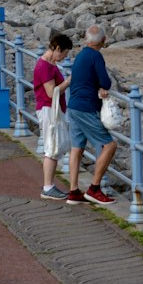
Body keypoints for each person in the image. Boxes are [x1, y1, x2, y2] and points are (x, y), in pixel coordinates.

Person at [66, 25, 117, 206]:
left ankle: (73, 191)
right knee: (109, 145)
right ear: (103, 41)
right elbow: (105, 81)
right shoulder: (96, 56)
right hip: (86, 107)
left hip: (73, 105)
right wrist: (100, 87)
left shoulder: (80, 55)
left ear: (86, 40)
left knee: (77, 147)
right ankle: (94, 189)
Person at [33, 32, 73, 199]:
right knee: (52, 147)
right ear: (57, 49)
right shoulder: (45, 66)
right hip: (48, 109)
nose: (64, 57)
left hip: (51, 109)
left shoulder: (49, 64)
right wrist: (69, 81)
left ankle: (49, 185)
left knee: (54, 147)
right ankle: (48, 186)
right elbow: (51, 93)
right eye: (64, 53)